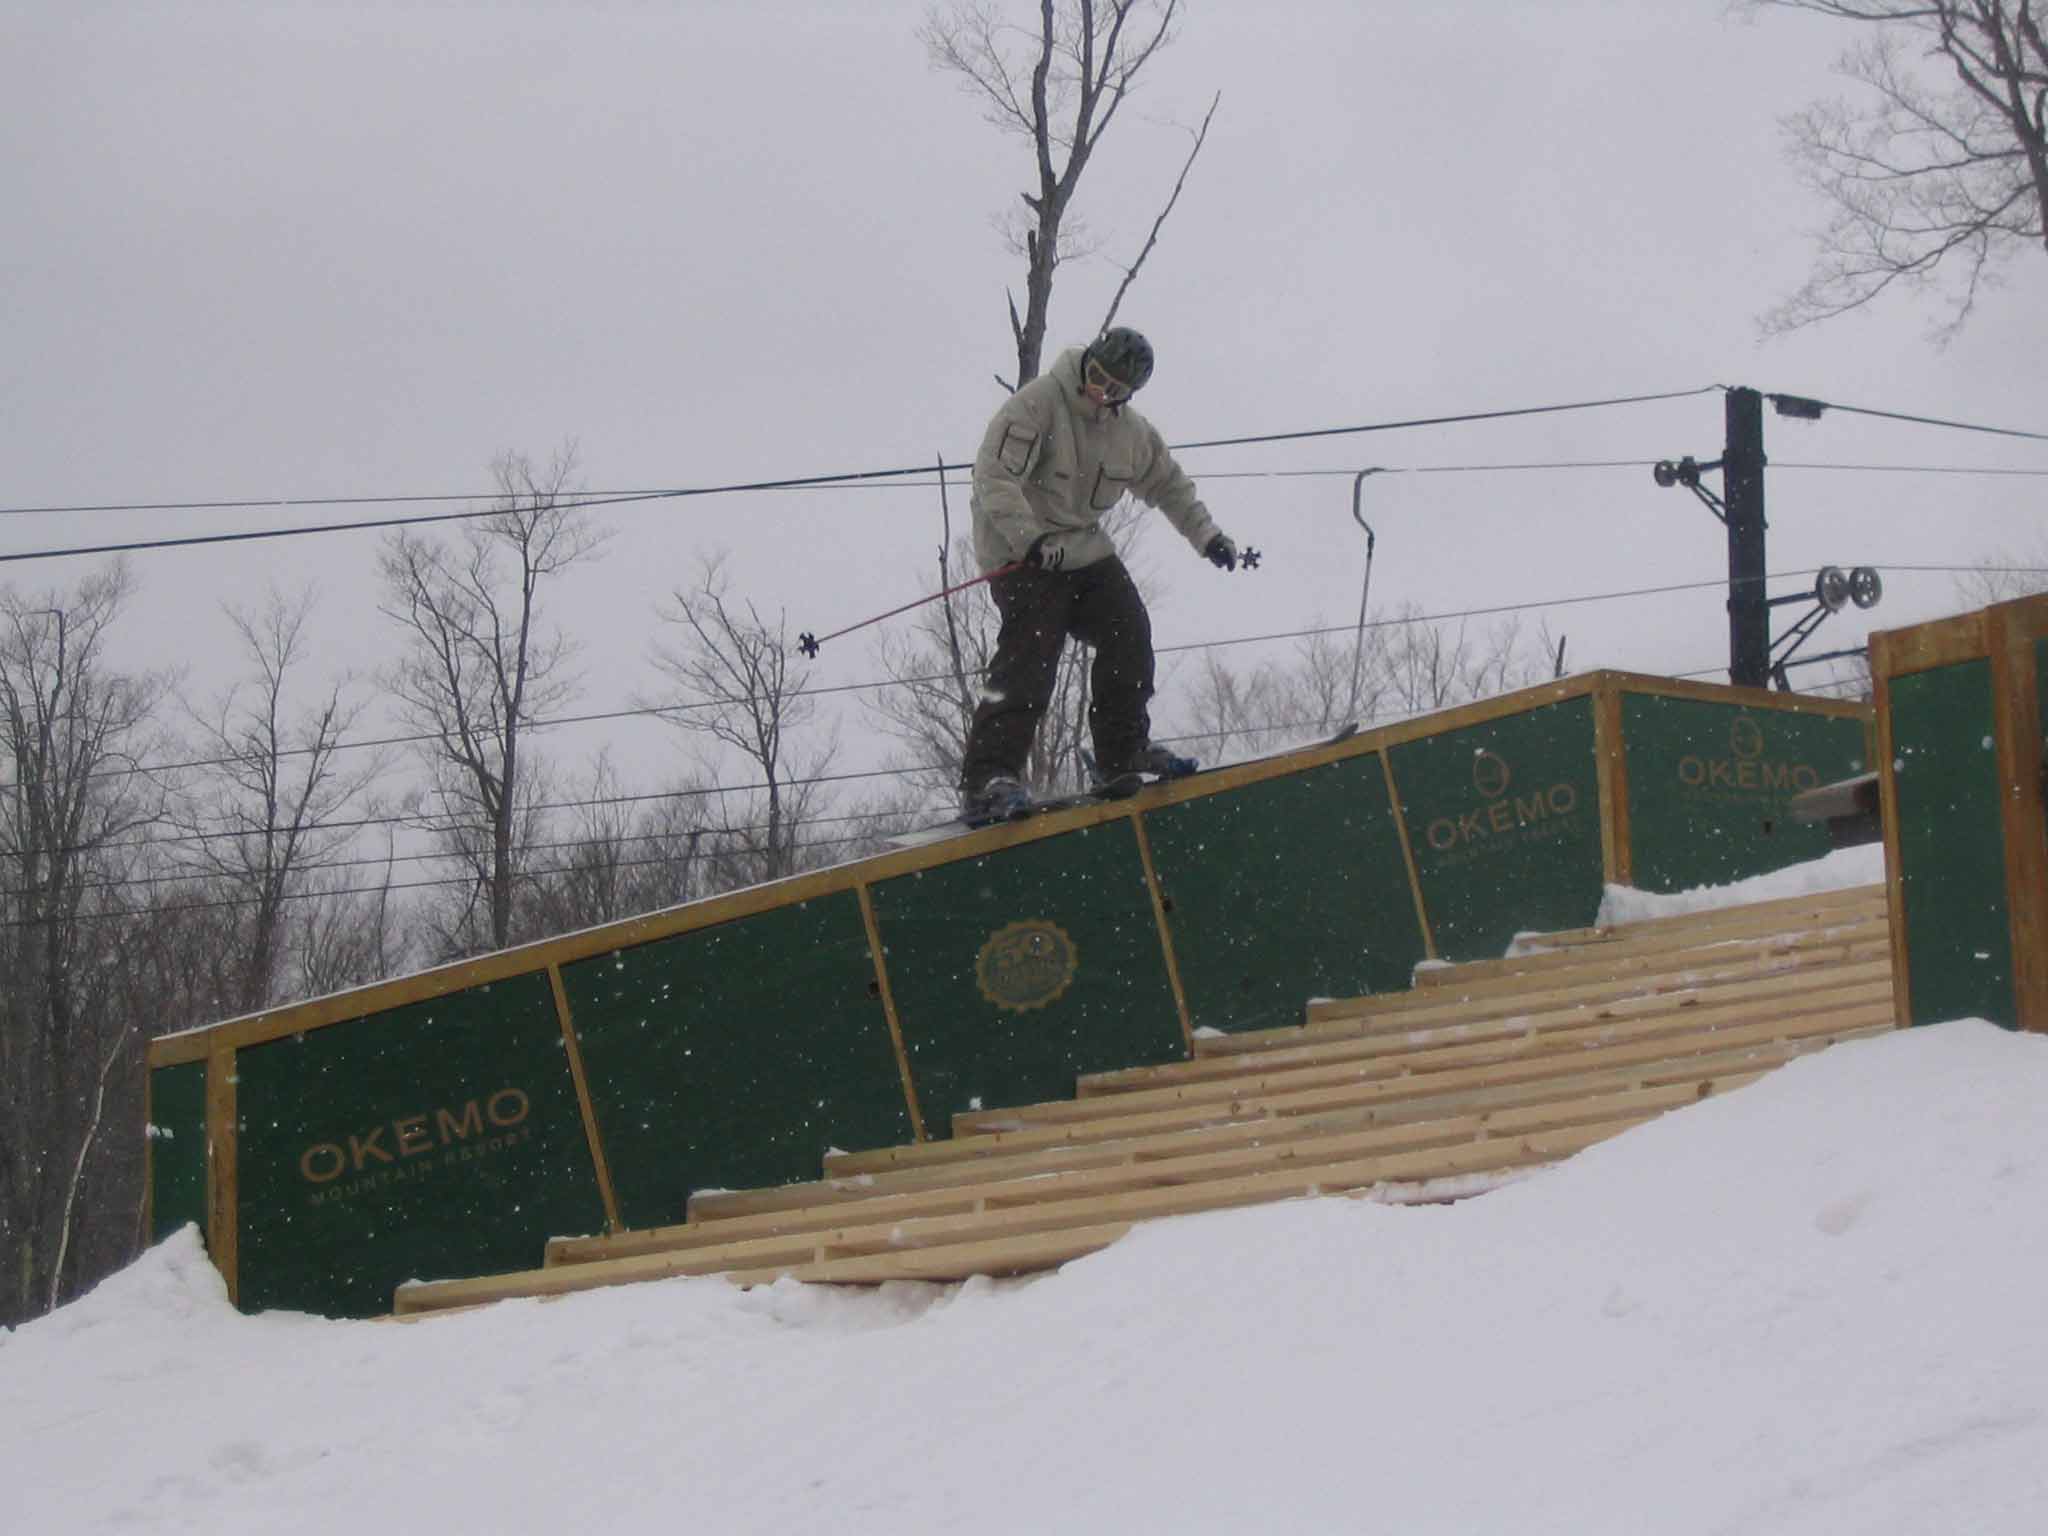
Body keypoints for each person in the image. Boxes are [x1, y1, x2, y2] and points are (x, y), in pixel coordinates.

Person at [958, 326, 1240, 824]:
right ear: (1086, 361)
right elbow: (993, 477)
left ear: (1127, 396)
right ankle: (989, 778)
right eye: (1095, 377)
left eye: (1113, 389)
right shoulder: (1038, 405)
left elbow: (1169, 486)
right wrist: (1031, 541)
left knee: (1129, 629)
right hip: (1018, 549)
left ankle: (1121, 752)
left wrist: (1208, 537)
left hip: (1081, 548)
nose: (1098, 391)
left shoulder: (1131, 435)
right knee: (1033, 649)